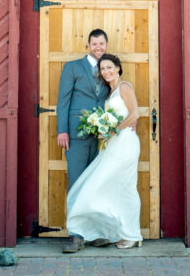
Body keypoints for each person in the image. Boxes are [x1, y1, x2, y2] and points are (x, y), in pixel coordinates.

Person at [64, 54, 143, 250]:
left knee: (126, 187)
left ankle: (132, 235)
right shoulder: (110, 92)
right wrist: (105, 130)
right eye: (103, 69)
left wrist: (114, 130)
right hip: (114, 145)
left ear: (118, 68)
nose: (106, 72)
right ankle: (115, 231)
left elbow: (135, 114)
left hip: (125, 144)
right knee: (111, 188)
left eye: (109, 67)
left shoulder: (124, 87)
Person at [57, 29, 111, 253]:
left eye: (102, 44)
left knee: (94, 185)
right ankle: (76, 236)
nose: (98, 47)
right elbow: (63, 100)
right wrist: (62, 131)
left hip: (99, 136)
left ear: (106, 45)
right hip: (76, 135)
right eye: (94, 44)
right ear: (88, 45)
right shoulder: (72, 67)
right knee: (77, 183)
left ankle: (93, 233)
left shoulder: (108, 69)